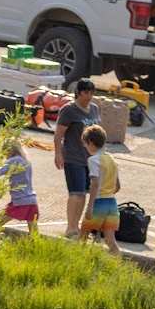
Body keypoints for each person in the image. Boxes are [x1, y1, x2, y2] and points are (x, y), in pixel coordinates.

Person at [52, 79, 99, 238]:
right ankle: (70, 227)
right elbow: (59, 134)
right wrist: (58, 154)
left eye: (91, 93)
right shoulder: (69, 110)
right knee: (75, 193)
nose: (89, 96)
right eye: (86, 93)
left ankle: (76, 226)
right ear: (78, 92)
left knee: (83, 193)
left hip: (90, 159)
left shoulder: (94, 109)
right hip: (73, 157)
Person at [79, 125, 121, 255]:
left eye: (85, 144)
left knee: (82, 236)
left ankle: (77, 261)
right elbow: (118, 186)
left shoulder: (93, 160)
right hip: (112, 203)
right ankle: (117, 262)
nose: (85, 147)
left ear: (91, 143)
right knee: (110, 240)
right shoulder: (112, 160)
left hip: (99, 202)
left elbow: (95, 183)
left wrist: (90, 206)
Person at [0, 138, 39, 235]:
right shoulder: (26, 160)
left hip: (20, 200)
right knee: (34, 233)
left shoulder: (14, 160)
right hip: (32, 200)